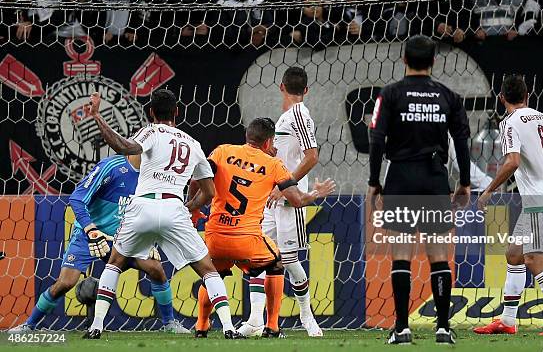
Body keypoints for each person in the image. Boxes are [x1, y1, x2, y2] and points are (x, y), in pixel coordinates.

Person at [83, 89, 242, 339]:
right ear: (177, 113)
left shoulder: (151, 131)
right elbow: (209, 191)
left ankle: (96, 326)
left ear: (151, 113)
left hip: (142, 207)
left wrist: (97, 117)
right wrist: (188, 206)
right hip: (173, 208)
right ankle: (229, 328)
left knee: (114, 263)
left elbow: (123, 146)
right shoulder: (193, 143)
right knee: (208, 269)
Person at [9, 154, 188, 334]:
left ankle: (169, 323)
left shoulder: (153, 174)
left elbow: (153, 211)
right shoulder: (111, 167)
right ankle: (29, 325)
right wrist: (91, 230)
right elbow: (77, 198)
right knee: (65, 282)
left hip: (122, 239)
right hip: (89, 235)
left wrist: (149, 240)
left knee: (156, 268)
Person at [367, 35, 471, 345]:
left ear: (404, 60)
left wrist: (375, 182)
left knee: (402, 254)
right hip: (433, 176)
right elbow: (462, 142)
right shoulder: (448, 96)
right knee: (438, 255)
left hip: (400, 176)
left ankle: (401, 328)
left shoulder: (391, 94)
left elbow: (376, 139)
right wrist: (464, 182)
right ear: (434, 62)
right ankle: (442, 328)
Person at [194, 118, 335, 338]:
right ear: (269, 142)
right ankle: (272, 326)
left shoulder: (222, 151)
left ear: (247, 136)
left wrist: (194, 205)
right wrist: (316, 193)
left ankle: (201, 326)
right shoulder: (273, 165)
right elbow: (296, 200)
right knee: (277, 261)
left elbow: (199, 174)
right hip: (246, 241)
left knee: (212, 273)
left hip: (215, 236)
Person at [474, 75, 543, 336]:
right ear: (527, 95)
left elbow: (512, 162)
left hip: (539, 201)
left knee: (533, 259)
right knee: (514, 254)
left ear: (502, 98)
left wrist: (488, 191)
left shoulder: (510, 123)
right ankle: (508, 321)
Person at [238, 68, 322, 338]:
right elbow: (292, 154)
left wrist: (286, 185)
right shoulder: (287, 118)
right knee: (258, 256)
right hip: (272, 197)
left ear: (281, 86)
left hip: (288, 199)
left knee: (287, 258)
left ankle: (307, 316)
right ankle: (255, 321)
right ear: (306, 89)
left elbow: (311, 156)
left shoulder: (299, 113)